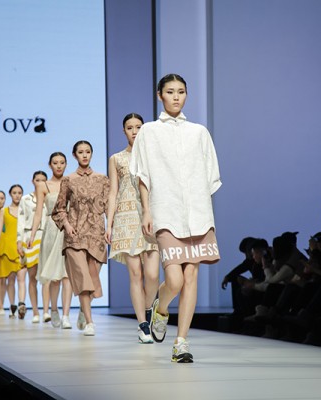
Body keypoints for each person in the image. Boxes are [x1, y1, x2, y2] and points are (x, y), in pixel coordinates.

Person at [130, 73, 222, 363]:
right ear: (160, 95)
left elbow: (211, 175)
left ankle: (181, 342)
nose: (176, 97)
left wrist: (200, 205)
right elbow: (142, 174)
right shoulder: (149, 132)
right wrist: (147, 210)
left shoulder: (199, 132)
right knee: (174, 278)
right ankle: (160, 308)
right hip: (166, 212)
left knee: (191, 275)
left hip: (198, 214)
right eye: (170, 92)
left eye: (181, 91)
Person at [105, 113, 160, 343]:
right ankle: (143, 324)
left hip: (151, 217)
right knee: (136, 274)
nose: (134, 131)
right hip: (125, 218)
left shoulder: (153, 155)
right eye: (130, 127)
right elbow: (113, 192)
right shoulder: (116, 159)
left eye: (138, 127)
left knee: (153, 275)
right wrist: (109, 223)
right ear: (124, 130)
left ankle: (149, 310)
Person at [52, 140, 110, 336]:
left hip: (97, 236)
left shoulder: (102, 179)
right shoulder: (68, 180)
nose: (84, 155)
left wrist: (110, 227)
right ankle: (90, 323)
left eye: (87, 152)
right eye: (80, 152)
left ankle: (84, 311)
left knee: (92, 279)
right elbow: (59, 208)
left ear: (91, 154)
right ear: (74, 155)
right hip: (75, 236)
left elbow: (109, 206)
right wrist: (67, 226)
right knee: (83, 279)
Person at [29, 152, 73, 328]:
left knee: (67, 275)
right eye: (55, 163)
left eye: (62, 162)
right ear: (50, 165)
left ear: (66, 164)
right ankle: (53, 309)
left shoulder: (71, 182)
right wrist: (32, 234)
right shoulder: (43, 185)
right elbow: (38, 212)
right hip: (50, 230)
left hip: (68, 230)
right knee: (54, 277)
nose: (59, 166)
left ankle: (66, 315)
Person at [18, 171, 48, 323]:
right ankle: (35, 312)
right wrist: (19, 241)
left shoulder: (50, 197)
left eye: (43, 180)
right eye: (37, 180)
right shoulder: (25, 199)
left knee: (46, 277)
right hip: (30, 236)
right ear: (32, 181)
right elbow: (21, 220)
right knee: (32, 276)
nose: (40, 182)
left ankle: (46, 311)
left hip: (46, 236)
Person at [0, 184, 25, 319]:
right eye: (14, 193)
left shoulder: (25, 209)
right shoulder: (4, 211)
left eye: (19, 193)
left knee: (21, 278)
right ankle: (12, 306)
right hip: (7, 248)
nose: (17, 195)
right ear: (10, 194)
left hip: (22, 246)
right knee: (10, 279)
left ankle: (22, 304)